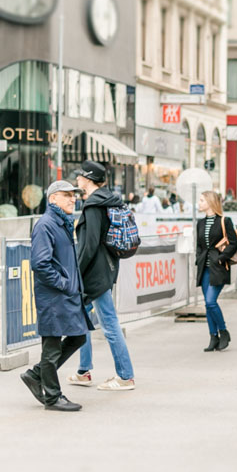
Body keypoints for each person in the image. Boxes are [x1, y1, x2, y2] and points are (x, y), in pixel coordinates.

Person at [18, 181, 93, 412]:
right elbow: (41, 263)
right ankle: (52, 397)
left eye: (74, 195)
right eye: (67, 195)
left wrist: (73, 286)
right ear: (52, 199)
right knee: (51, 349)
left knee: (79, 336)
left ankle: (36, 374)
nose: (73, 199)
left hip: (65, 295)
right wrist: (64, 284)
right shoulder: (46, 225)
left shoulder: (61, 222)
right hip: (54, 296)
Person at [66, 161, 135, 392]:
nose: (77, 180)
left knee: (109, 323)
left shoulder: (94, 205)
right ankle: (83, 370)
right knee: (82, 317)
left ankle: (125, 376)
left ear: (87, 179)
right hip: (105, 267)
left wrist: (76, 270)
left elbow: (89, 244)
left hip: (94, 273)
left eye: (79, 177)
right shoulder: (107, 200)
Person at [196, 191, 237, 352]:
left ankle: (223, 331)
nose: (199, 203)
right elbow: (199, 245)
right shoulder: (200, 223)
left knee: (210, 301)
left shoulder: (224, 221)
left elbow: (233, 243)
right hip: (204, 268)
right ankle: (213, 336)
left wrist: (221, 258)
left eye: (202, 200)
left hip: (218, 268)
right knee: (207, 305)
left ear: (210, 202)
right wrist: (198, 258)